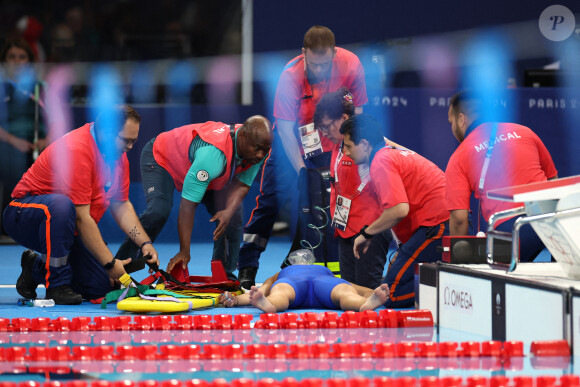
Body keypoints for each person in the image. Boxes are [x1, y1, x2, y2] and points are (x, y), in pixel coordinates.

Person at [238, 25, 368, 289]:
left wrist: (347, 153)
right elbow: (284, 129)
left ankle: (335, 269)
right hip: (292, 145)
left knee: (335, 204)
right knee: (269, 203)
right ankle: (247, 267)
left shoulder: (351, 65)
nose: (319, 71)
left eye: (325, 65)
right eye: (313, 64)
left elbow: (358, 115)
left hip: (333, 141)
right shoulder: (289, 76)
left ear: (334, 54)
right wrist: (301, 171)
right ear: (303, 53)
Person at [3, 105, 160, 304]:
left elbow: (121, 205)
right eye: (126, 140)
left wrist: (145, 244)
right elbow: (81, 218)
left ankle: (35, 268)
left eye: (134, 141)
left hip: (67, 227)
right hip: (24, 214)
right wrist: (110, 263)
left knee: (101, 286)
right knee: (61, 206)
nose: (130, 147)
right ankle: (57, 285)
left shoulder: (117, 156)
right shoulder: (77, 149)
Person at [115, 116, 273, 280]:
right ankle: (119, 269)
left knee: (231, 216)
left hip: (200, 169)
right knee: (158, 211)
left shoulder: (255, 145)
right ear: (242, 137)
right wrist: (185, 251)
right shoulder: (213, 156)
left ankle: (224, 273)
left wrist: (227, 211)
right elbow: (187, 206)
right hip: (161, 159)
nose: (261, 154)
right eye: (257, 149)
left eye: (265, 149)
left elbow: (242, 184)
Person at [340, 114, 450, 308]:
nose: (346, 153)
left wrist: (365, 234)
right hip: (437, 224)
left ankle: (453, 284)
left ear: (364, 144)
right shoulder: (390, 153)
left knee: (391, 295)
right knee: (393, 284)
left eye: (348, 146)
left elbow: (399, 210)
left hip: (437, 225)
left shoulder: (380, 161)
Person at [445, 91, 558, 261]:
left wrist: (459, 261)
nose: (452, 129)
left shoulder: (459, 157)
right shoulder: (525, 132)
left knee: (487, 280)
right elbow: (554, 183)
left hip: (513, 228)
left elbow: (459, 220)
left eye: (451, 122)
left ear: (461, 119)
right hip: (552, 219)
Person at [313, 88, 394, 289]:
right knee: (348, 291)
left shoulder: (365, 145)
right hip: (344, 228)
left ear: (343, 118)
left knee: (367, 292)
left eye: (327, 126)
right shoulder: (338, 145)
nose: (324, 133)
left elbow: (390, 150)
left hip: (369, 229)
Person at [0, 39, 47, 241]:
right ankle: (7, 228)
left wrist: (47, 141)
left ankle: (40, 227)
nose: (17, 61)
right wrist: (13, 141)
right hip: (7, 144)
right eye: (12, 57)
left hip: (38, 143)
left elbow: (57, 118)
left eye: (22, 57)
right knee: (10, 159)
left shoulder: (40, 87)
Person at [220, 264, 389, 313]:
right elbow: (360, 288)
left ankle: (269, 305)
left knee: (280, 293)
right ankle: (363, 305)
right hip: (325, 283)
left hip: (292, 282)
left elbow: (259, 292)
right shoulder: (325, 271)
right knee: (344, 292)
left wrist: (235, 300)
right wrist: (368, 296)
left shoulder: (280, 273)